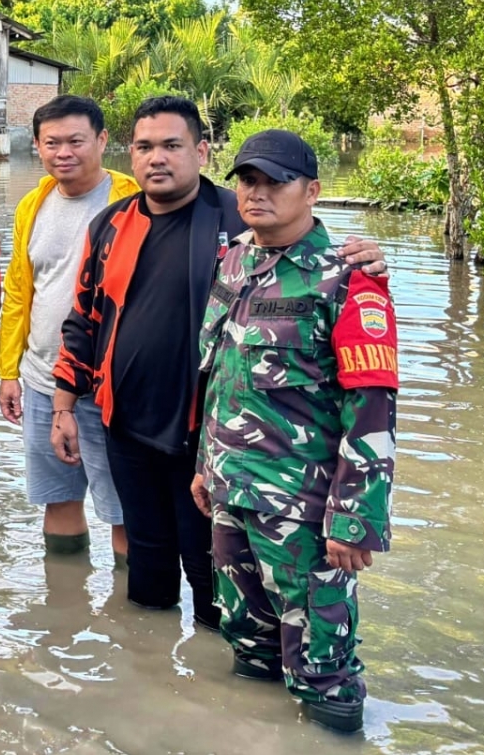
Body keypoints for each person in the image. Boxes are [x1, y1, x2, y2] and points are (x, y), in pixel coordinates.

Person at [51, 96, 387, 629]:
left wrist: (364, 257)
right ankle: (149, 677)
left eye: (171, 146)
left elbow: (309, 260)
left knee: (217, 584)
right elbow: (85, 319)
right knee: (146, 576)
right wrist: (63, 405)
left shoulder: (241, 217)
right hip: (126, 427)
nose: (156, 158)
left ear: (201, 152)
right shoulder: (111, 225)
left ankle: (224, 669)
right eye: (144, 147)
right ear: (129, 155)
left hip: (211, 439)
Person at [191, 130, 399, 734]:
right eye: (248, 180)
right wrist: (206, 466)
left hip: (306, 511)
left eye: (274, 182)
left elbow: (373, 410)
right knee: (248, 648)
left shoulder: (349, 280)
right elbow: (221, 373)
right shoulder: (234, 261)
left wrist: (355, 518)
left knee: (323, 669)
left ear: (312, 190)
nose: (257, 193)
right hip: (234, 493)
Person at [0, 95, 135, 561]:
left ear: (101, 140)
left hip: (110, 383)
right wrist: (9, 371)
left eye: (76, 141)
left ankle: (132, 611)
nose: (64, 152)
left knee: (124, 510)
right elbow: (19, 292)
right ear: (37, 145)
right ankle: (62, 607)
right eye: (52, 143)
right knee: (57, 498)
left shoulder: (135, 201)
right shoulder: (32, 206)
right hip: (41, 378)